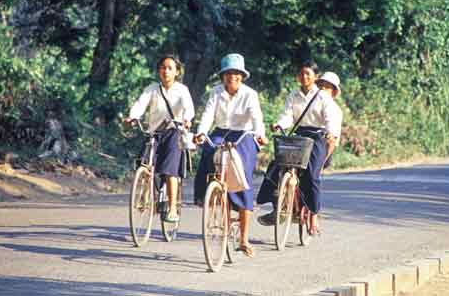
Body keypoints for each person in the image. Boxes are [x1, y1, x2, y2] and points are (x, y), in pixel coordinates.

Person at [193, 53, 268, 258]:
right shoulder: (216, 92)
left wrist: (260, 135)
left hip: (244, 134)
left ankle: (244, 238)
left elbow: (256, 117)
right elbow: (208, 115)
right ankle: (206, 195)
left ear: (242, 76)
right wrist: (201, 132)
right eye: (228, 73)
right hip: (220, 132)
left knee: (242, 172)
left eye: (236, 73)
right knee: (208, 154)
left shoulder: (249, 94)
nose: (232, 77)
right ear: (222, 76)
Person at [256, 62, 342, 236]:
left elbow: (330, 120)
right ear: (298, 76)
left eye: (308, 74)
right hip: (298, 135)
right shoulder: (293, 95)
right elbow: (287, 115)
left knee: (311, 175)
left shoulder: (323, 97)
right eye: (301, 74)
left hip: (318, 136)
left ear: (315, 77)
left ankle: (314, 213)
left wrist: (331, 134)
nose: (304, 77)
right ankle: (277, 206)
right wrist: (279, 123)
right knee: (276, 166)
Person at [125, 54, 195, 223]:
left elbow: (188, 108)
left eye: (170, 68)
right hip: (154, 132)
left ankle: (172, 208)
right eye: (163, 67)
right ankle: (144, 194)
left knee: (170, 170)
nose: (166, 71)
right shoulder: (152, 89)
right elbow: (140, 104)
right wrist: (132, 117)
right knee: (144, 164)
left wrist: (186, 119)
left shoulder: (182, 90)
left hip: (173, 131)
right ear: (158, 71)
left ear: (177, 72)